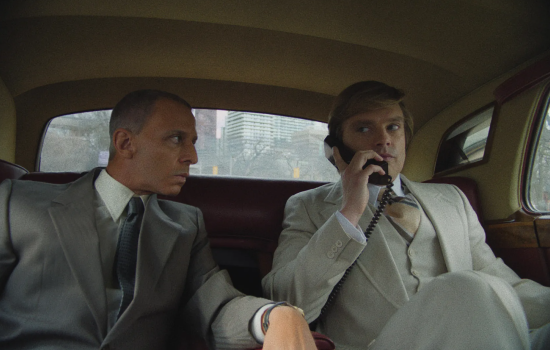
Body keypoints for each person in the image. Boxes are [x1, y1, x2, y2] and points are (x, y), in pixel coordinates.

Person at [0, 89, 317, 350]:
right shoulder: (18, 201)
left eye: (193, 142)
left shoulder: (186, 225)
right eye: (177, 139)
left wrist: (274, 315)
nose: (192, 157)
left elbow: (215, 306)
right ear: (126, 143)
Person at [262, 81, 550, 349]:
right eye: (364, 129)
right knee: (468, 286)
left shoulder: (452, 200)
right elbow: (288, 302)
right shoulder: (308, 207)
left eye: (393, 127)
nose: (383, 139)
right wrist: (349, 212)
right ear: (335, 147)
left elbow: (502, 286)